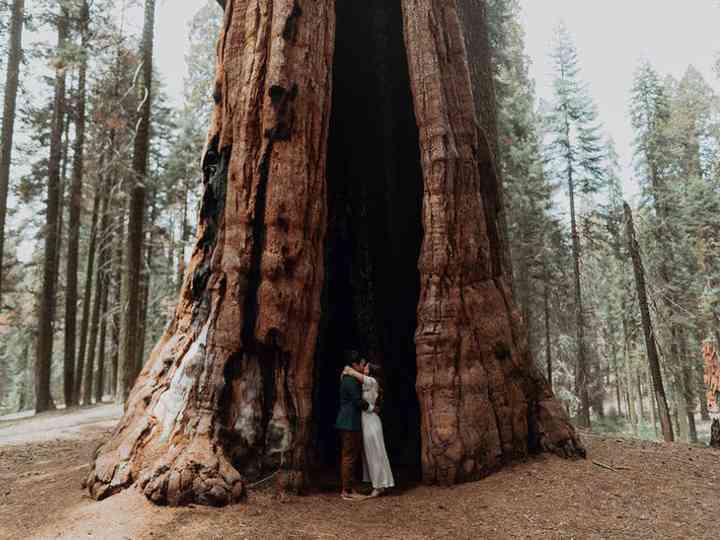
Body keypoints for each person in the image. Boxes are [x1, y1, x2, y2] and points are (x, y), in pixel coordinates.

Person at [342, 362, 395, 498]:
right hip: (366, 421)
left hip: (371, 421)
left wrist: (348, 370)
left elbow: (353, 373)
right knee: (371, 454)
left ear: (371, 371)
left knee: (375, 454)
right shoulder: (366, 383)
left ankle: (378, 486)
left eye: (365, 366)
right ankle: (379, 484)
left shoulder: (372, 381)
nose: (363, 367)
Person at [334, 351, 369, 500]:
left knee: (350, 455)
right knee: (349, 456)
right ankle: (346, 490)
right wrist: (371, 406)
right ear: (354, 365)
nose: (363, 366)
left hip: (348, 421)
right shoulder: (350, 380)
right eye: (361, 364)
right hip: (349, 422)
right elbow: (357, 401)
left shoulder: (349, 378)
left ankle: (349, 487)